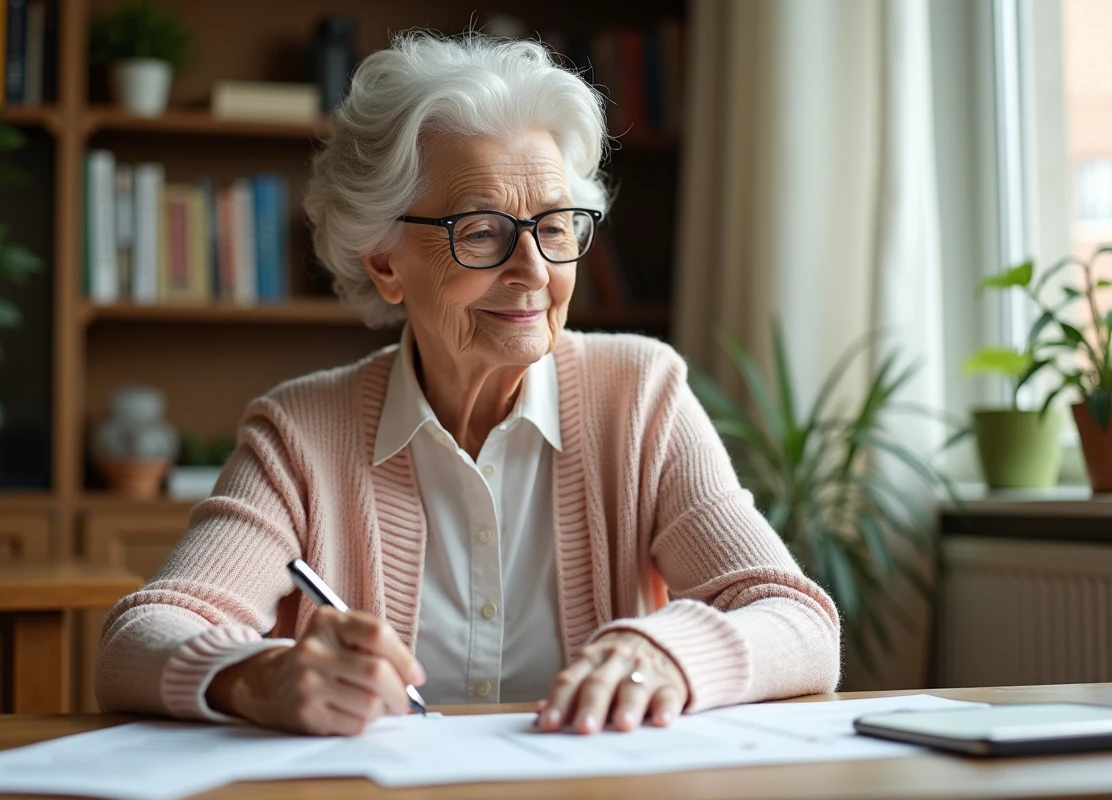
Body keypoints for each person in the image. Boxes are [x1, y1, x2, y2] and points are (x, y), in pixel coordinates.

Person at [95, 31, 840, 737]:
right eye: (481, 232)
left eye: (554, 227)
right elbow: (137, 640)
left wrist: (672, 653)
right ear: (384, 262)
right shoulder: (301, 432)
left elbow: (799, 621)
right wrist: (260, 676)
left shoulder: (640, 396)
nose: (535, 273)